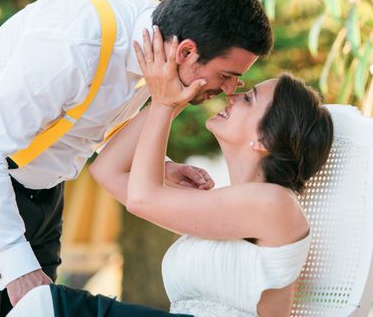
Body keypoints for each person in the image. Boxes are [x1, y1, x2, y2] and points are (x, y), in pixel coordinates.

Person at [0, 0, 273, 317]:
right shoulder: (73, 46)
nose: (228, 90)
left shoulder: (153, 40)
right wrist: (15, 268)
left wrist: (161, 167)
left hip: (43, 193)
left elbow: (92, 119)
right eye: (226, 76)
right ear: (187, 52)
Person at [82, 26, 334, 316]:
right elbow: (108, 171)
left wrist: (166, 101)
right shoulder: (224, 206)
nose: (232, 96)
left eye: (249, 99)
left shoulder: (276, 205)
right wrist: (184, 91)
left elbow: (141, 198)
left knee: (54, 305)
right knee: (49, 304)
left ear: (264, 140)